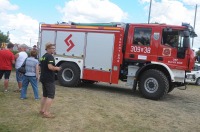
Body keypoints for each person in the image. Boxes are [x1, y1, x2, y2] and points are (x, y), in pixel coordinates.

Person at [39, 42, 61, 118]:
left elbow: (40, 66)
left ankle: (42, 110)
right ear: (48, 48)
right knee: (50, 96)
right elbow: (50, 67)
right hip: (49, 79)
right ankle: (46, 113)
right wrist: (57, 68)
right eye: (52, 48)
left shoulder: (43, 56)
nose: (54, 50)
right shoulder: (50, 56)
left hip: (43, 78)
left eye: (54, 48)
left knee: (45, 95)